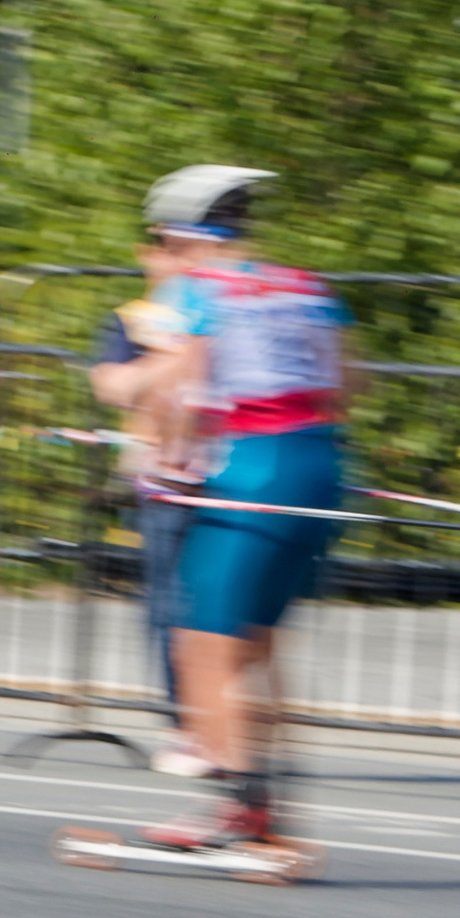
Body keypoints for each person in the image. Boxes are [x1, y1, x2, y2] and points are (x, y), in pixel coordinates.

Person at [134, 165, 357, 848]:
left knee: (202, 647)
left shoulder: (203, 292)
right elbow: (350, 384)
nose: (167, 258)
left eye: (167, 243)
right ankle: (264, 803)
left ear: (189, 237)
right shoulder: (307, 285)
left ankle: (242, 809)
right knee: (256, 646)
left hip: (252, 470)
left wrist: (173, 458)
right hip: (319, 464)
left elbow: (185, 396)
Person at [87, 231, 212, 776]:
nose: (178, 259)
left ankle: (225, 725)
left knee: (225, 605)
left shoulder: (226, 309)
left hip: (232, 478)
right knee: (168, 603)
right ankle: (182, 724)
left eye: (187, 248)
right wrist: (178, 356)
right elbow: (112, 386)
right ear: (147, 254)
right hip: (166, 479)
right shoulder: (132, 317)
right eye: (167, 247)